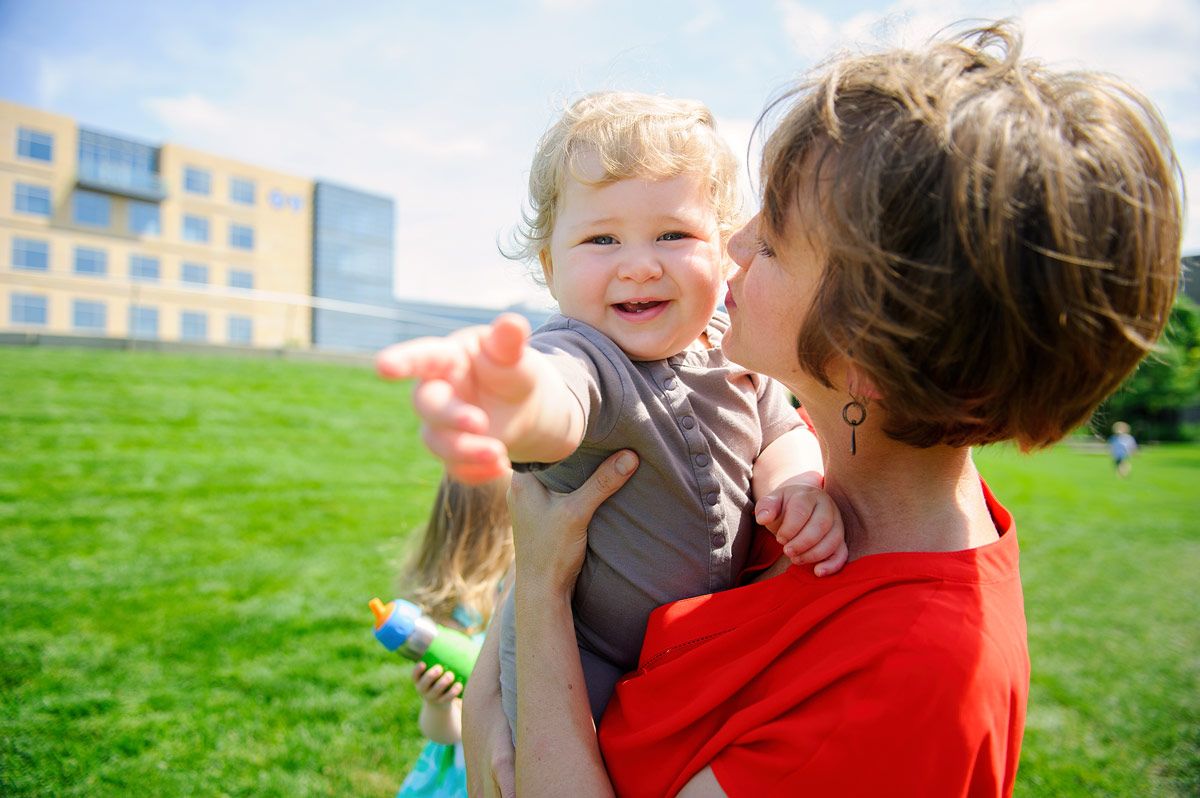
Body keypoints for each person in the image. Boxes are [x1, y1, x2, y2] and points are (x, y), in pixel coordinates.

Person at [466, 21, 1183, 797]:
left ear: (865, 355)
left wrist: (538, 591)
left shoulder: (898, 687)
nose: (730, 246)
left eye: (773, 243)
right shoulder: (824, 472)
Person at [377, 91, 847, 738]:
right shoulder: (583, 353)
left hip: (702, 646)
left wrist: (795, 483)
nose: (640, 264)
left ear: (722, 247)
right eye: (602, 238)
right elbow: (557, 401)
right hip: (584, 653)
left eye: (674, 234)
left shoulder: (727, 349)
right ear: (550, 265)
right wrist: (512, 398)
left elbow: (782, 430)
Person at [395, 473, 512, 798]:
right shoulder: (453, 617)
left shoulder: (524, 586)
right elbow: (444, 734)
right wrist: (437, 705)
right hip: (470, 769)